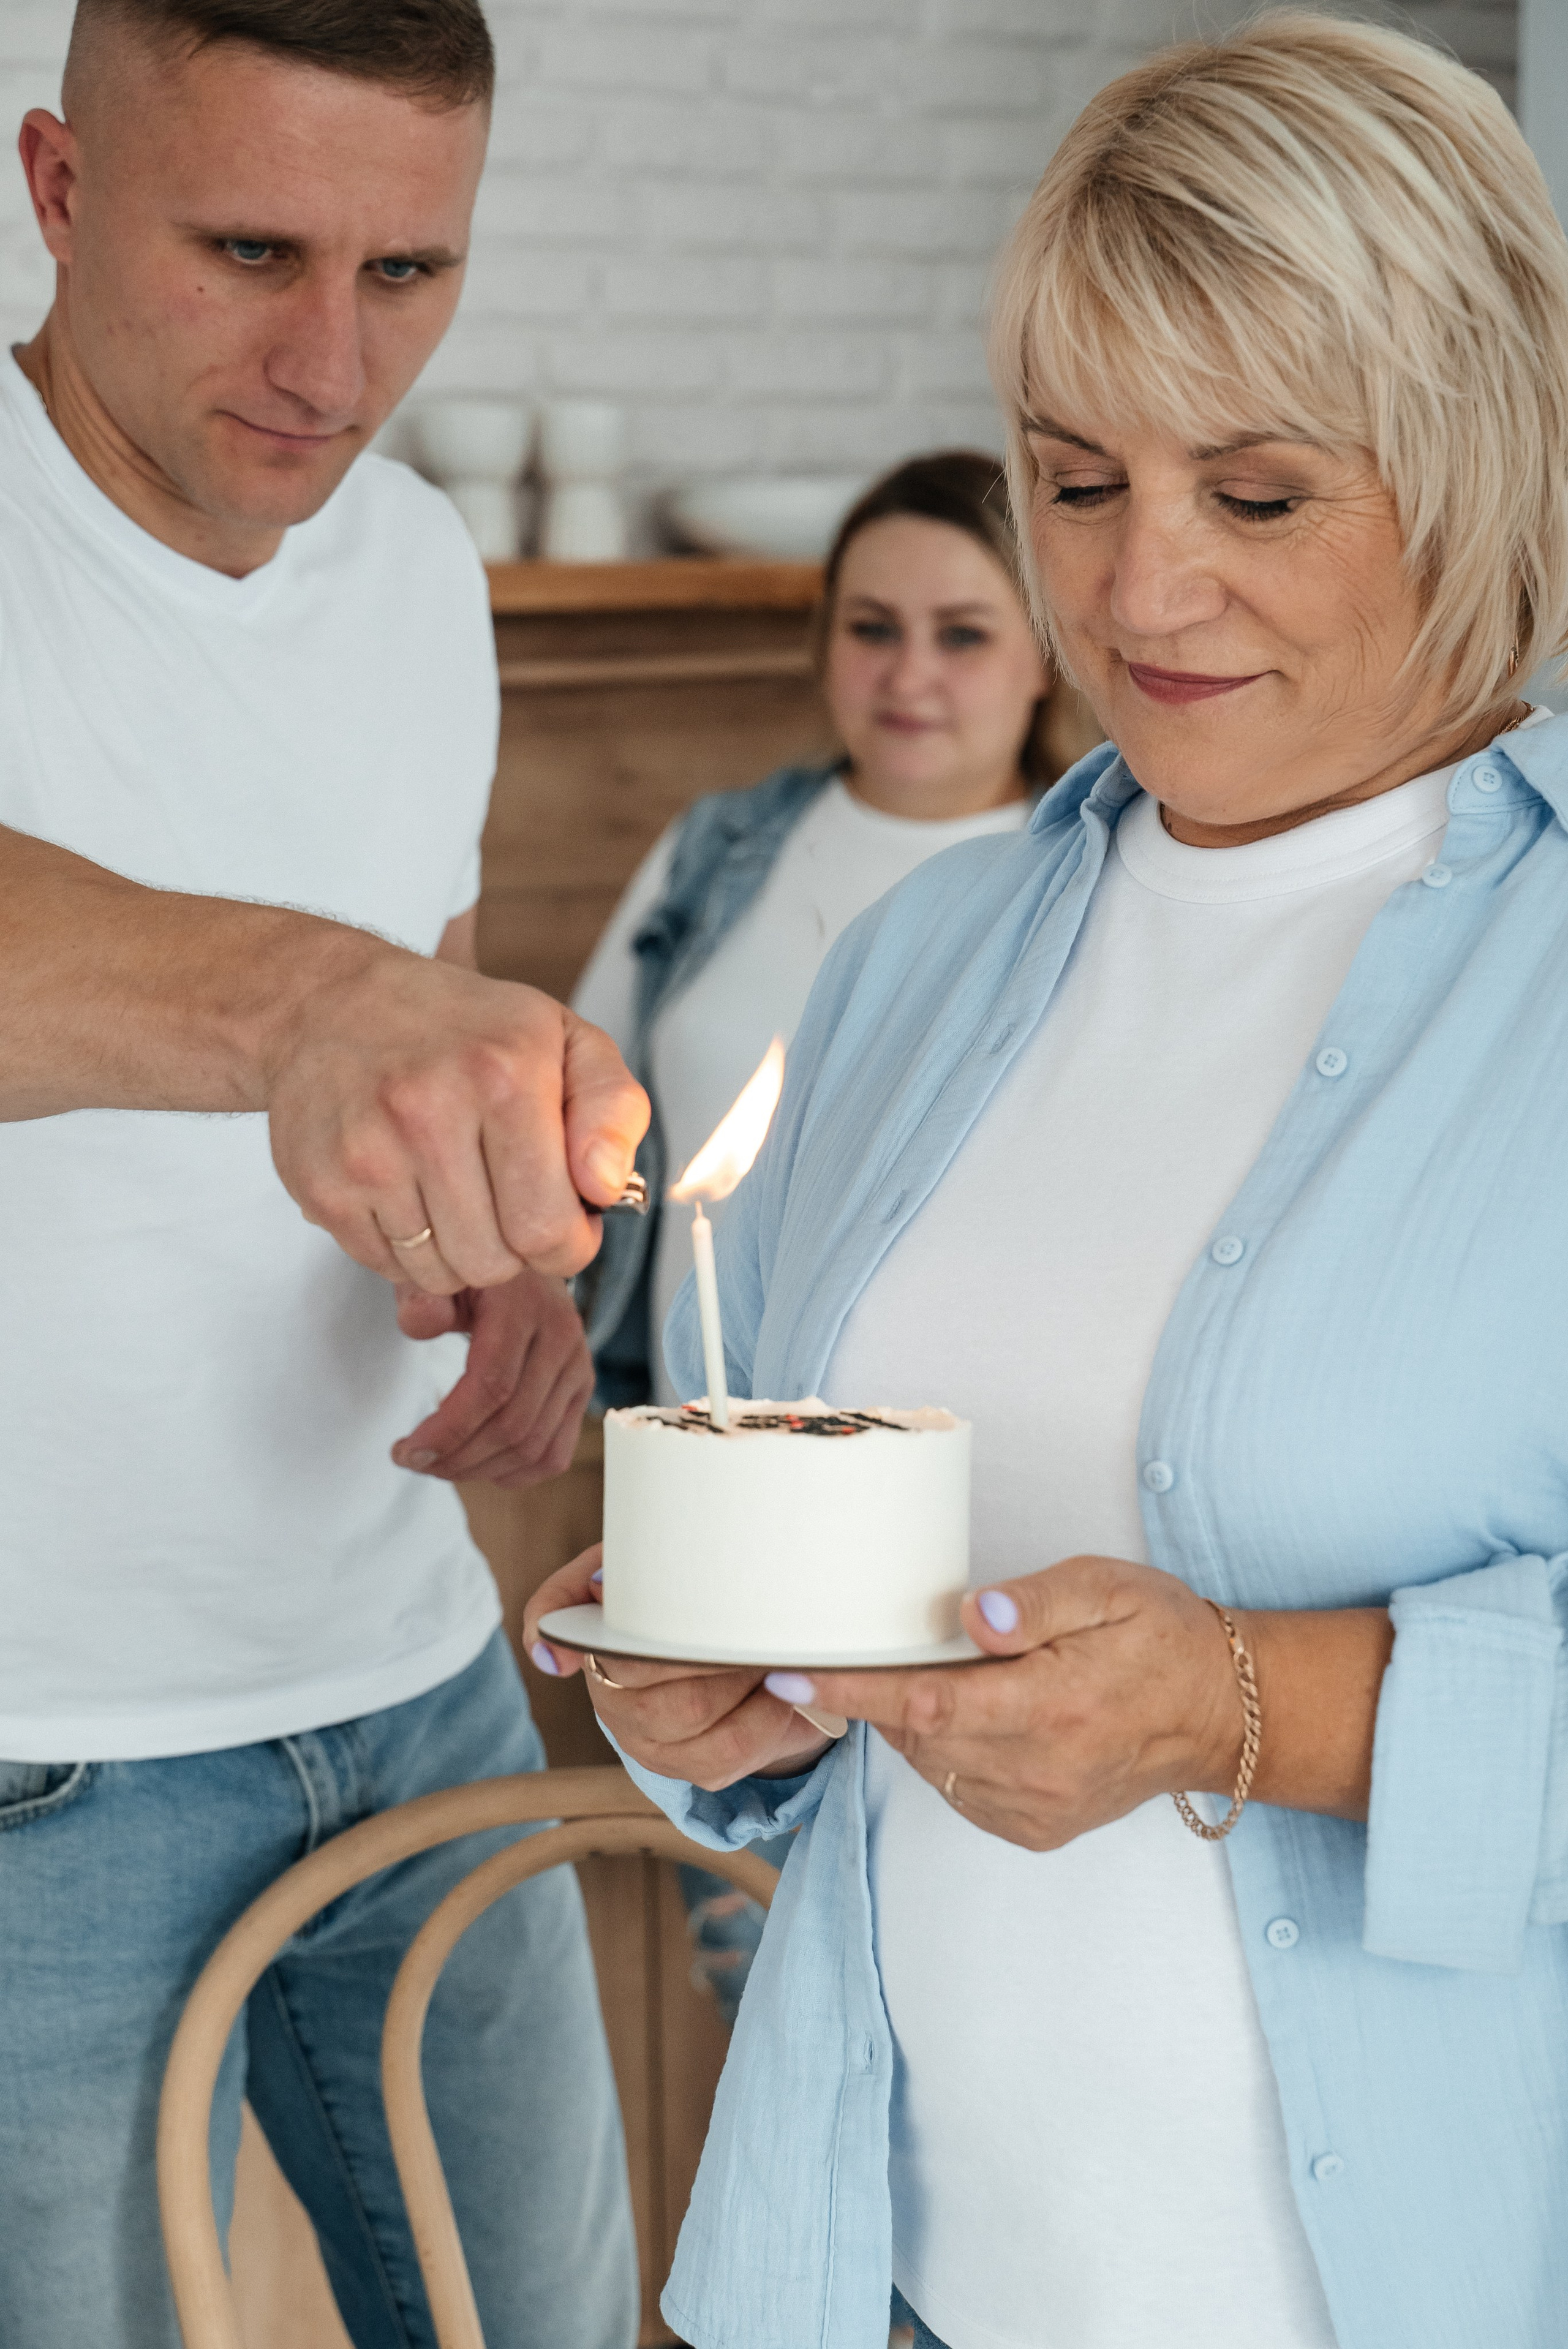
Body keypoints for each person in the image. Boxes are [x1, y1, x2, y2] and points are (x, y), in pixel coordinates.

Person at [527, 17, 1568, 2349]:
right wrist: (737, 1718)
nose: (1143, 584)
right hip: (873, 2283)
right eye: (1076, 479)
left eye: (1262, 492)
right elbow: (858, 1760)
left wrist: (1244, 1702)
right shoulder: (922, 960)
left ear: (1474, 458)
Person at [0, 4, 642, 2344]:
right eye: (253, 246)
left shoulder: (419, 571)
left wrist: (479, 1261)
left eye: (409, 270)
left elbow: (416, 1031)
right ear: (60, 189)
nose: (330, 356)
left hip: (408, 1675)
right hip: (31, 1750)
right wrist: (307, 1004)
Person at [570, 451, 1059, 2017]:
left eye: (963, 631)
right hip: (727, 1530)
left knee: (961, 1974)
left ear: (1046, 645)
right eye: (871, 626)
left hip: (982, 1533)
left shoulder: (1082, 878)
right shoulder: (724, 853)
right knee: (768, 1980)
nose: (908, 673)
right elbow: (588, 1114)